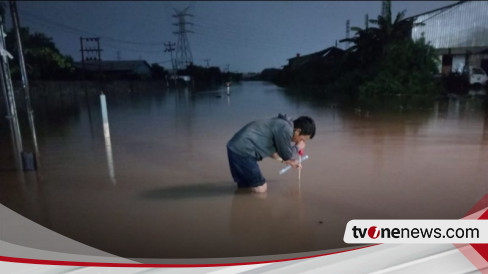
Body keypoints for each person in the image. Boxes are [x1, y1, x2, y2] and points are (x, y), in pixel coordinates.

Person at [226, 114, 316, 193]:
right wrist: (298, 147)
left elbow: (273, 152)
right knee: (261, 188)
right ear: (298, 131)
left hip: (235, 148)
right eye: (303, 139)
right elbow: (287, 155)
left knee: (245, 187)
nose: (302, 142)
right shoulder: (285, 129)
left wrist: (290, 162)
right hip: (243, 151)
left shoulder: (282, 125)